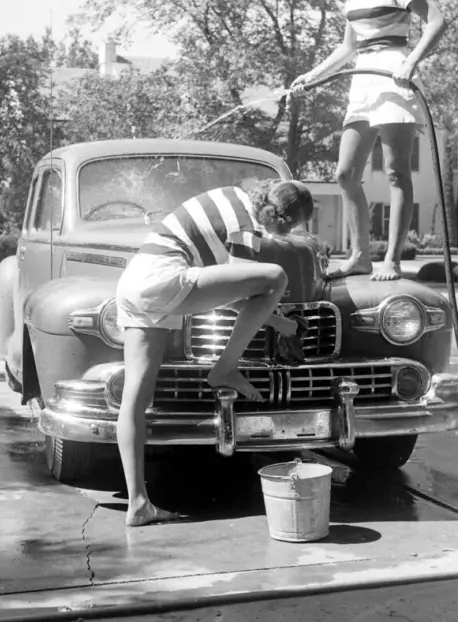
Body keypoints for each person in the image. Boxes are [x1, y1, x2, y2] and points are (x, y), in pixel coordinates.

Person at [115, 178, 314, 526]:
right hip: (165, 278)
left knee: (136, 397)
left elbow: (227, 293)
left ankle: (138, 503)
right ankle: (225, 367)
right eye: (291, 227)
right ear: (282, 220)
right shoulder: (246, 226)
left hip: (134, 283)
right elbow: (242, 292)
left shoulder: (232, 198)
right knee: (276, 276)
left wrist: (278, 323)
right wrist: (281, 323)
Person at [291, 0, 447, 281]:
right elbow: (347, 47)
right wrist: (311, 77)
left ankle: (391, 259)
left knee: (397, 172)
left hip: (394, 74)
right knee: (345, 173)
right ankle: (360, 256)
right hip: (362, 79)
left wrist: (410, 63)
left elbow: (437, 20)